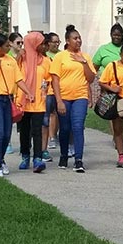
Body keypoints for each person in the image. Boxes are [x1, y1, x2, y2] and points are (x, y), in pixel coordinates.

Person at [0, 33, 33, 177]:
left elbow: (19, 79)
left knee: (7, 134)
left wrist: (28, 92)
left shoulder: (10, 60)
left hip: (7, 99)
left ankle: (1, 159)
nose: (9, 48)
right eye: (6, 46)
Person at [50, 24, 95, 173]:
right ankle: (64, 155)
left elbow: (90, 78)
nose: (78, 41)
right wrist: (59, 101)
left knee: (78, 127)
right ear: (67, 41)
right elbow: (55, 80)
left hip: (80, 96)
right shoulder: (60, 57)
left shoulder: (85, 57)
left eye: (79, 38)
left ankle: (78, 159)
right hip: (64, 97)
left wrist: (83, 62)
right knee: (65, 128)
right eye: (75, 38)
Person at [17, 32, 50, 173]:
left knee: (37, 131)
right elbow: (15, 76)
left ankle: (38, 158)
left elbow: (49, 78)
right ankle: (25, 156)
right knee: (24, 131)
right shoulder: (21, 60)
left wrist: (45, 88)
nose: (43, 46)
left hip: (38, 101)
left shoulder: (46, 61)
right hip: (23, 101)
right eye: (40, 43)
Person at [93, 24, 123, 141]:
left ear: (122, 35)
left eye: (118, 35)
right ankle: (116, 136)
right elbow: (94, 67)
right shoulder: (103, 49)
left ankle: (118, 135)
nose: (116, 37)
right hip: (107, 85)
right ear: (110, 35)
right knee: (112, 110)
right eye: (114, 35)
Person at [41, 32, 61, 162]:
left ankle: (53, 137)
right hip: (46, 91)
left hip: (58, 89)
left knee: (56, 114)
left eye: (58, 41)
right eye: (54, 41)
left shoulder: (60, 54)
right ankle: (46, 141)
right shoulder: (45, 56)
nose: (56, 44)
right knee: (46, 116)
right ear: (48, 43)